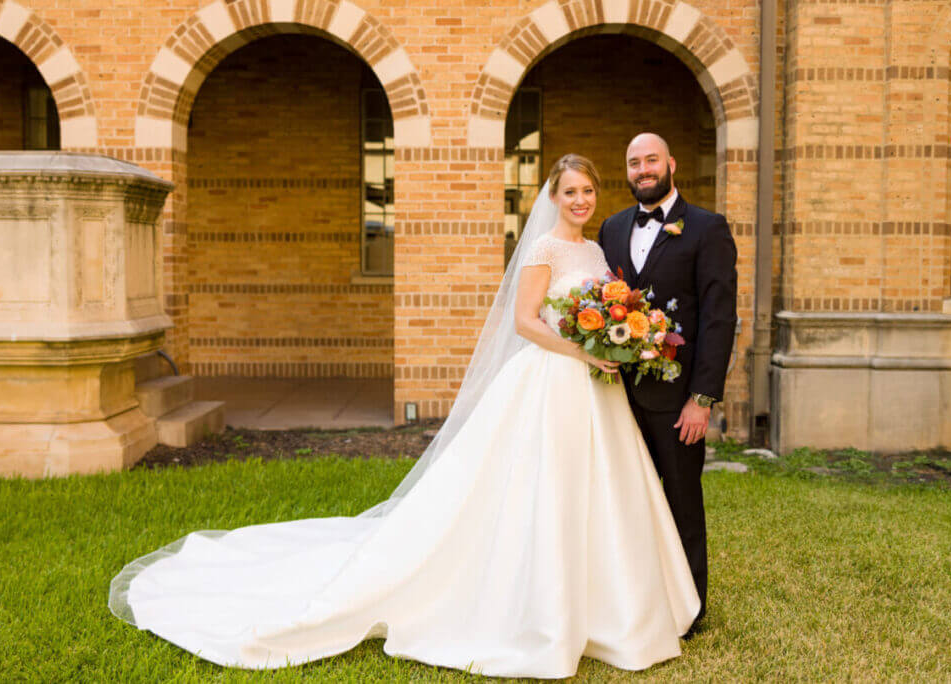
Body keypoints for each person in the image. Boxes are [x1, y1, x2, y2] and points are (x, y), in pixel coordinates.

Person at [109, 154, 699, 678]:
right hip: (552, 381)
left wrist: (613, 348)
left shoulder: (596, 249)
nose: (580, 200)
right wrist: (584, 350)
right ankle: (537, 606)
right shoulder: (543, 249)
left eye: (588, 192)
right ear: (552, 197)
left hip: (596, 388)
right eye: (570, 192)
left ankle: (610, 606)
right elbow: (525, 322)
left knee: (598, 489)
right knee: (535, 489)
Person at [598, 134, 738, 634]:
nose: (643, 170)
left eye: (651, 160)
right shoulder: (611, 228)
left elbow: (719, 319)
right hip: (614, 398)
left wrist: (702, 400)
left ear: (671, 164)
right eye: (634, 162)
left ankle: (688, 611)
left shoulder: (707, 228)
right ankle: (631, 602)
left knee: (681, 502)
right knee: (624, 501)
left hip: (678, 400)